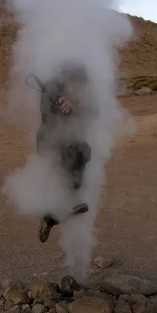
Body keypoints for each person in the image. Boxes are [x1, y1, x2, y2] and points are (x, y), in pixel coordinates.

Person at [29, 62, 94, 243]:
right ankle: (58, 208)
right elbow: (47, 116)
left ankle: (54, 213)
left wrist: (75, 106)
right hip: (50, 141)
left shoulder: (79, 94)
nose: (79, 89)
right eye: (77, 85)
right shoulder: (50, 90)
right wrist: (59, 109)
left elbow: (93, 112)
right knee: (76, 154)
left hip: (69, 140)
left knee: (83, 153)